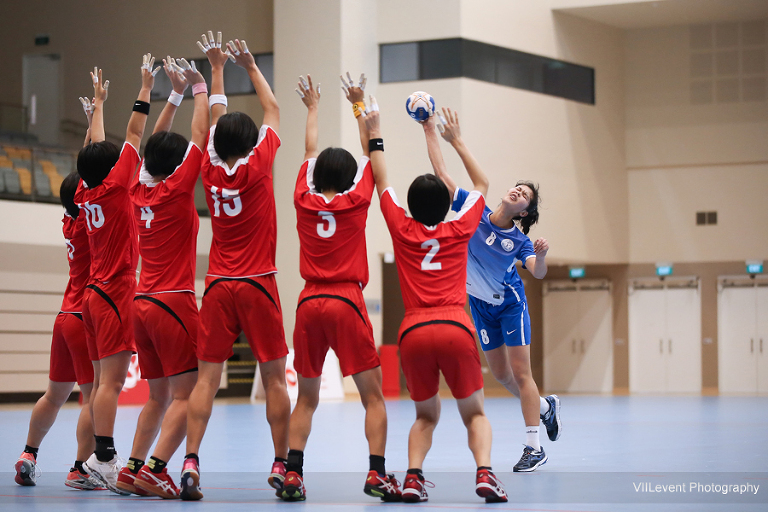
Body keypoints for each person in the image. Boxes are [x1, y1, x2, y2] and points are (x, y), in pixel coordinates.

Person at [364, 99, 508, 503]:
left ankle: (412, 477)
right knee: (475, 413)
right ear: (446, 204)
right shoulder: (460, 226)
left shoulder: (399, 226)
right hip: (454, 328)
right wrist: (446, 136)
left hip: (413, 330)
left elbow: (380, 179)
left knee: (425, 415)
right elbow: (481, 184)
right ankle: (484, 474)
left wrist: (375, 129)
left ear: (410, 205)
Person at [280, 73, 400, 503]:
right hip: (346, 301)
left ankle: (292, 471)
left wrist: (312, 108)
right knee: (372, 398)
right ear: (351, 178)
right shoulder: (357, 200)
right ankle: (377, 473)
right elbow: (370, 154)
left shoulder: (303, 197)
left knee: (307, 399)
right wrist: (358, 106)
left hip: (309, 301)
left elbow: (309, 151)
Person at [181, 32, 290, 501]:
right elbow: (275, 111)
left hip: (219, 284)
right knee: (272, 376)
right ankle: (283, 464)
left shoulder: (207, 166)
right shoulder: (258, 164)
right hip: (259, 283)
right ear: (251, 144)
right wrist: (249, 66)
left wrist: (216, 70)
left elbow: (211, 126)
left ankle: (190, 461)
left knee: (207, 379)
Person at [424, 109, 560, 472]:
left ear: (523, 212)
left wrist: (542, 255)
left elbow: (538, 273)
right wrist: (429, 129)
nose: (520, 191)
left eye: (526, 197)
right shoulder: (475, 211)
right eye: (519, 187)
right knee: (500, 376)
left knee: (521, 374)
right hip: (479, 305)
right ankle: (546, 407)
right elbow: (442, 177)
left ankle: (534, 446)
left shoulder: (519, 240)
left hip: (510, 304)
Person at [114, 57, 209, 499]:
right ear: (178, 166)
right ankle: (155, 468)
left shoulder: (137, 189)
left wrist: (170, 95)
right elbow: (199, 136)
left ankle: (131, 469)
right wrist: (199, 88)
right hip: (174, 302)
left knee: (157, 396)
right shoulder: (176, 188)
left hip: (141, 304)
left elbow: (155, 145)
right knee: (187, 394)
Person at [75, 55, 158, 494]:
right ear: (112, 169)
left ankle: (88, 459)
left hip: (92, 293)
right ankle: (105, 459)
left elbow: (96, 149)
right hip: (115, 290)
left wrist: (98, 106)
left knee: (96, 385)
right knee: (109, 383)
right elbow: (133, 134)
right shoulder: (116, 185)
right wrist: (145, 86)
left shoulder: (87, 189)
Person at [14, 170, 102, 491]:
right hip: (84, 318)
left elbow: (81, 180)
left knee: (53, 396)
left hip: (64, 316)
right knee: (92, 398)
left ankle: (29, 454)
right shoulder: (92, 225)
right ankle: (80, 469)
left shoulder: (68, 221)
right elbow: (93, 182)